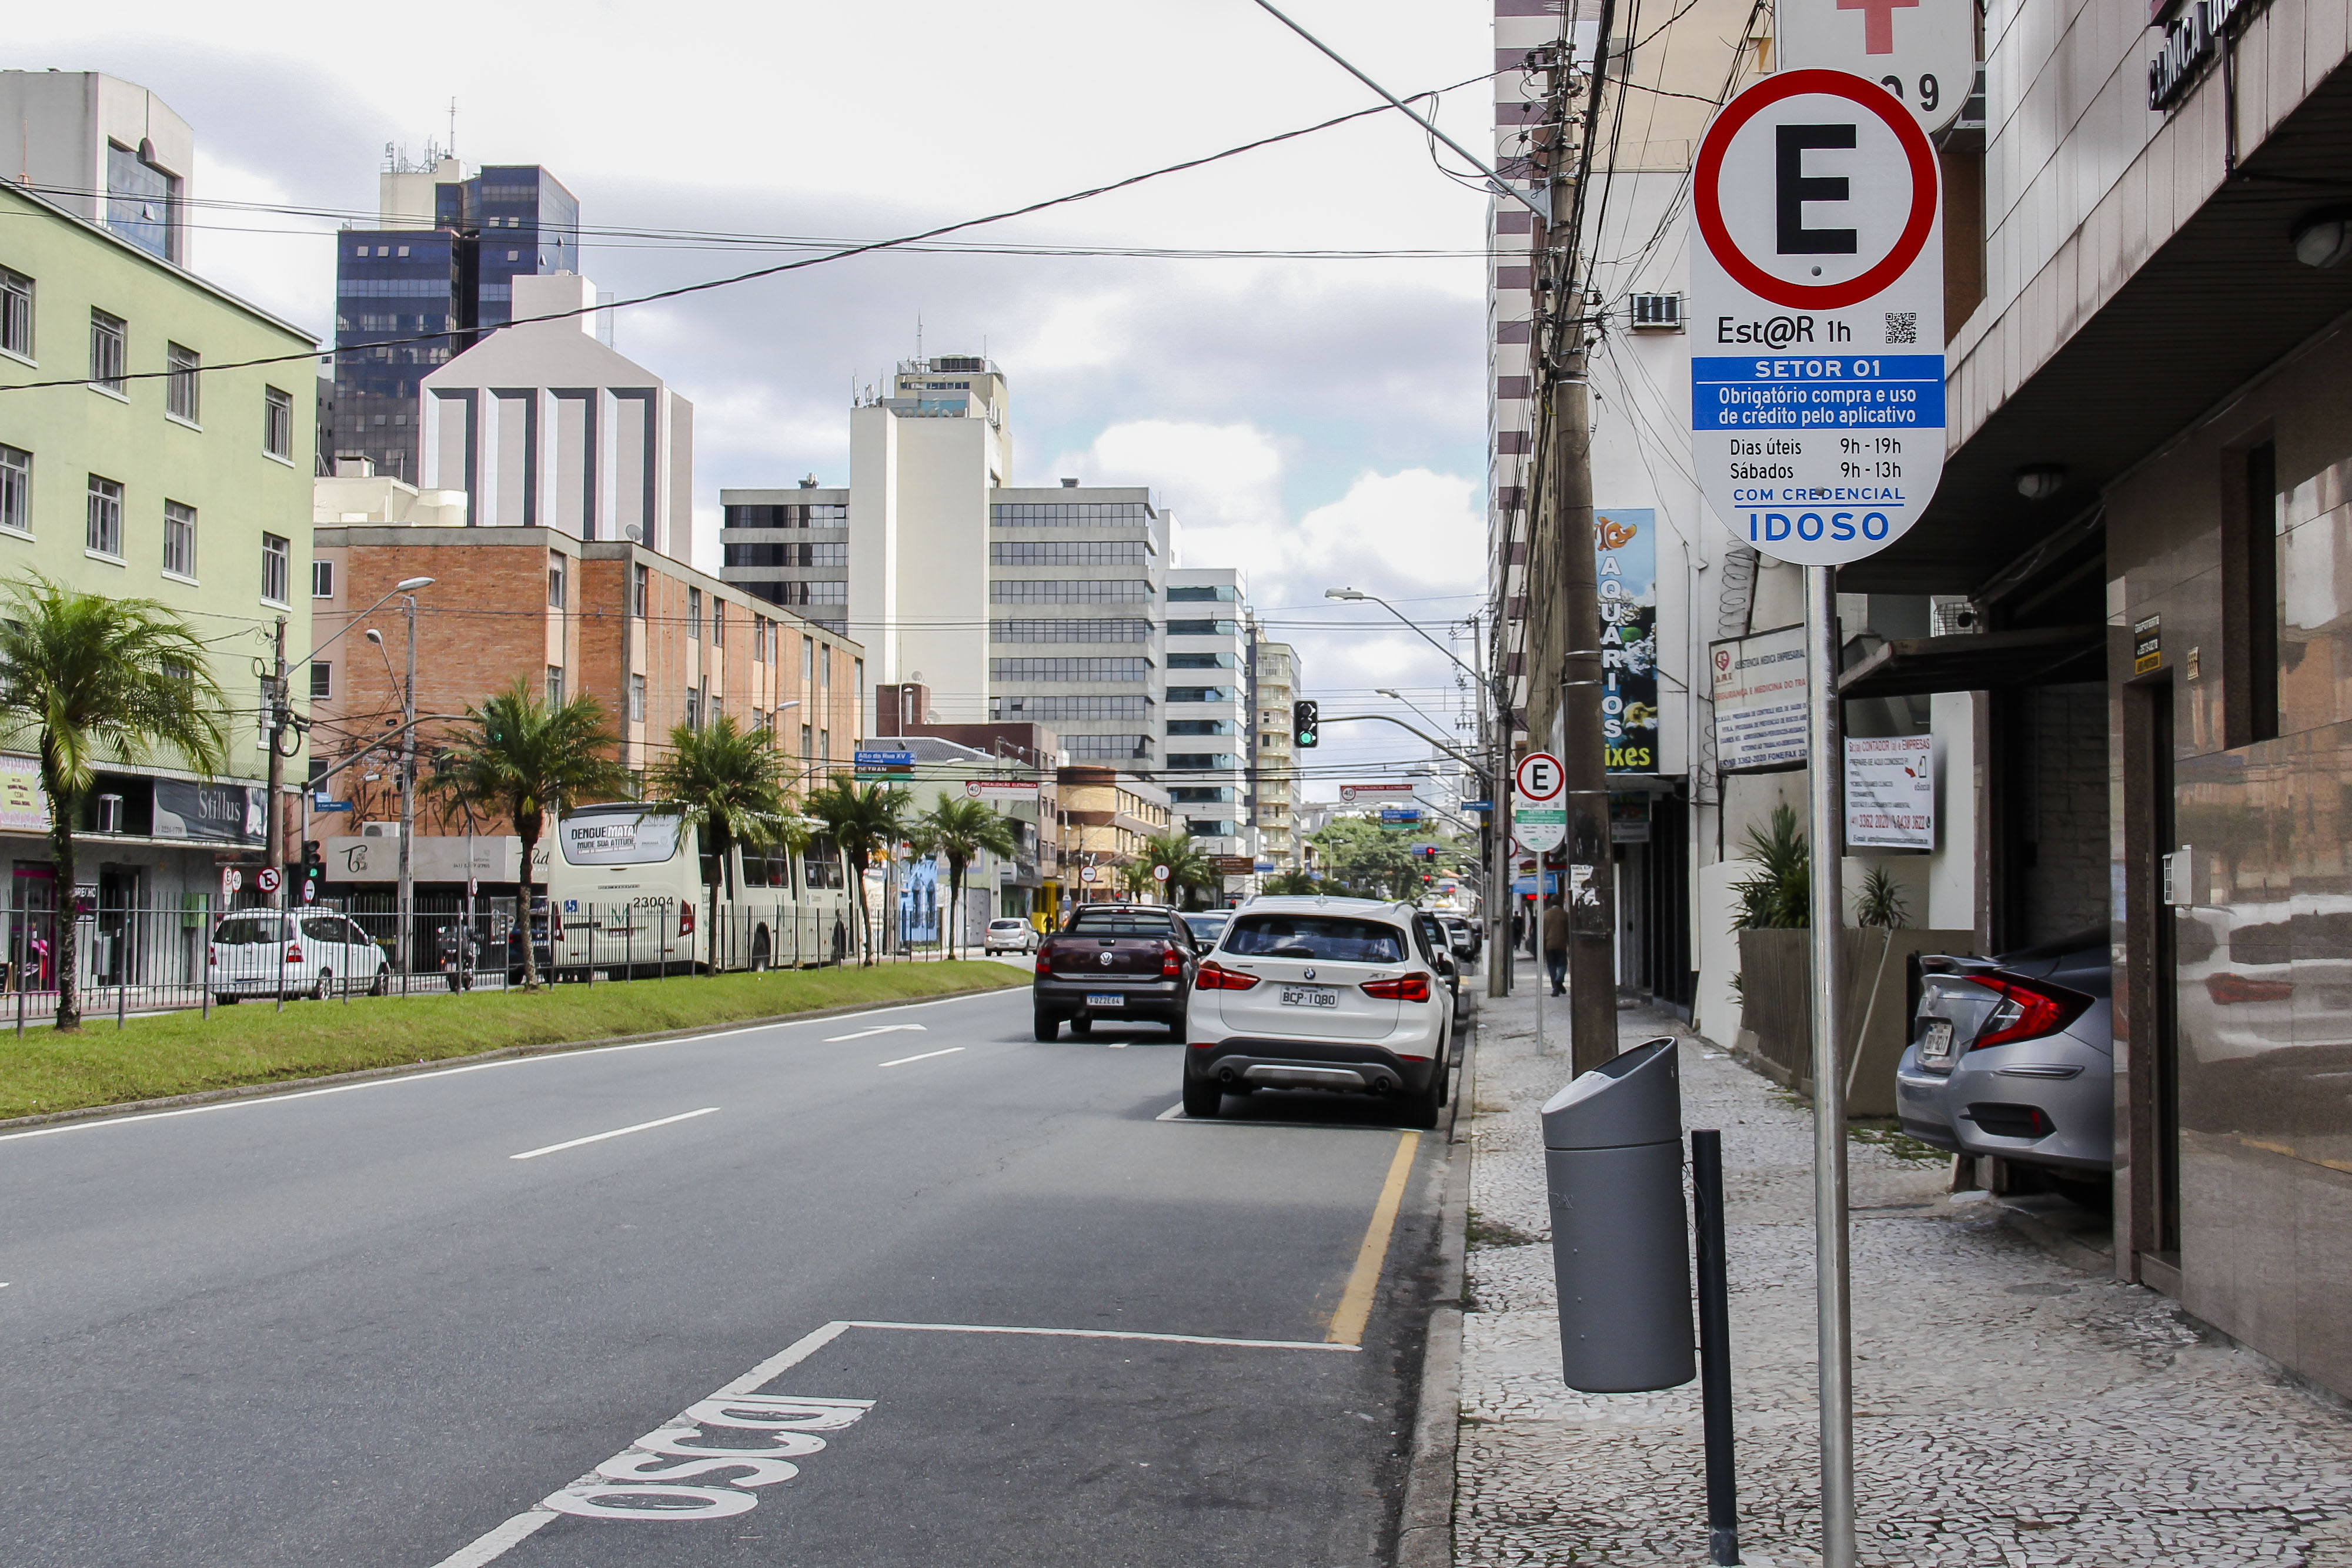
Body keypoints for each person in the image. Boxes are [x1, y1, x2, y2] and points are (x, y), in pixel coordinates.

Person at [1541, 892, 1569, 997]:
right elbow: (1568, 930)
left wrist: (1542, 946)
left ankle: (1555, 989)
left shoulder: (1545, 915)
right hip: (1561, 944)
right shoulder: (1565, 914)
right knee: (1563, 965)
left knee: (1551, 966)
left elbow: (1542, 931)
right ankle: (1559, 979)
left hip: (1549, 944)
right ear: (1560, 902)